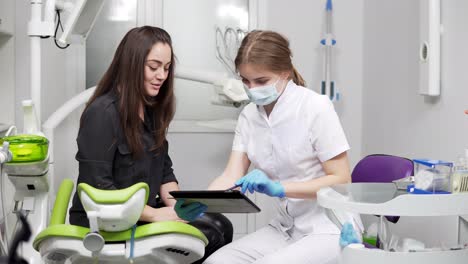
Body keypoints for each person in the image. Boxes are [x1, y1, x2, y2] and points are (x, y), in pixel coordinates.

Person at [68, 26, 232, 263]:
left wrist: (178, 208)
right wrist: (155, 215)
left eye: (166, 68)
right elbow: (99, 190)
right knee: (208, 234)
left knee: (220, 224)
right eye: (153, 67)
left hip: (141, 212)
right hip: (106, 220)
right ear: (131, 64)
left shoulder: (152, 110)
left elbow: (165, 172)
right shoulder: (102, 113)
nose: (162, 76)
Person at [202, 30, 352, 264]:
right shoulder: (249, 116)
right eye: (245, 81)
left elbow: (341, 180)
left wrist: (280, 188)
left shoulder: (315, 107)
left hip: (328, 228)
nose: (252, 89)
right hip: (285, 228)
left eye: (261, 81)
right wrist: (201, 203)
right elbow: (231, 175)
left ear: (285, 73)